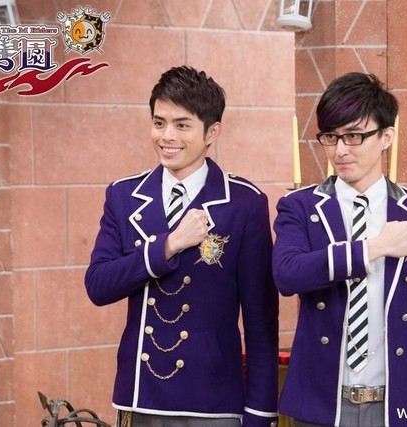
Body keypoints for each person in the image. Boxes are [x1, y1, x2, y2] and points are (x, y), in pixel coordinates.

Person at [85, 65, 280, 427]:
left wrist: (259, 413)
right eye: (159, 123)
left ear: (212, 132)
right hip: (140, 397)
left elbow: (261, 322)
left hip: (213, 402)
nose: (167, 136)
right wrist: (169, 245)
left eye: (182, 125)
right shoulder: (124, 195)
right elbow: (98, 286)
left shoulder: (244, 203)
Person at [272, 72, 407, 427]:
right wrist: (372, 248)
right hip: (321, 403)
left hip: (399, 405)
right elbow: (287, 274)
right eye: (330, 137)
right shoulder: (300, 207)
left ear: (386, 136)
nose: (340, 150)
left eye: (354, 136)